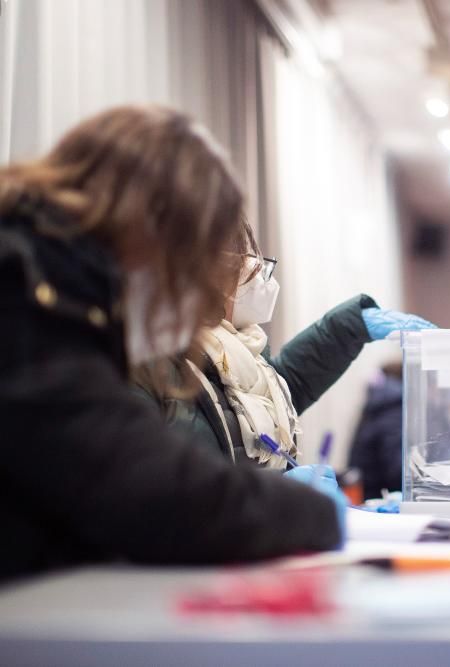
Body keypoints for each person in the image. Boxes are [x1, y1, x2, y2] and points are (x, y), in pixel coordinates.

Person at [0, 106, 345, 580]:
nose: (194, 292)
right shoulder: (25, 289)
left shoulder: (52, 284)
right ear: (150, 229)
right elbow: (139, 485)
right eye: (193, 260)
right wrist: (312, 513)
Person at [134, 224, 433, 469]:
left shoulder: (235, 352)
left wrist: (352, 325)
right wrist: (273, 498)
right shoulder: (152, 361)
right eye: (252, 268)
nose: (261, 282)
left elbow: (284, 386)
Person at [348, 361, 405, 500]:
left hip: (368, 496)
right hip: (382, 501)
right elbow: (398, 471)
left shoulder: (381, 404)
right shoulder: (395, 409)